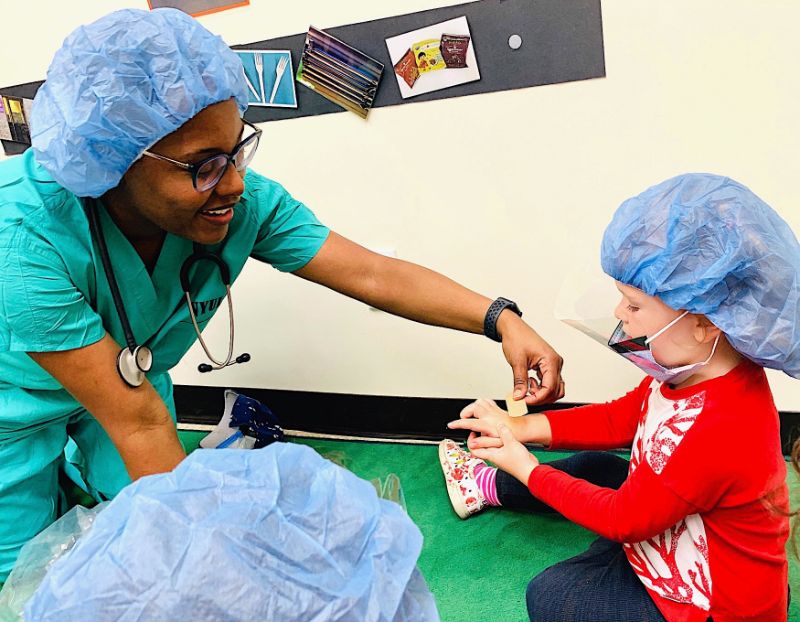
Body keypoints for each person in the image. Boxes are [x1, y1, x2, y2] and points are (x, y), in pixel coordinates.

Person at [0, 8, 564, 582]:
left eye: (237, 149)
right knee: (25, 572)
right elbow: (138, 423)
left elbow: (374, 274)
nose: (235, 183)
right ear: (113, 162)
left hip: (130, 392)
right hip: (14, 409)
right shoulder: (24, 234)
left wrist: (501, 319)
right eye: (203, 166)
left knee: (139, 534)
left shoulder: (241, 207)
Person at [439, 173, 799, 621]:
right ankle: (487, 487)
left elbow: (623, 519)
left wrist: (528, 470)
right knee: (598, 470)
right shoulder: (690, 368)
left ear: (705, 322)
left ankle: (503, 485)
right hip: (684, 545)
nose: (618, 315)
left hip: (715, 607)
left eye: (632, 305)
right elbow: (622, 418)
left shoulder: (721, 426)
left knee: (551, 595)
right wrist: (520, 426)